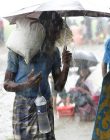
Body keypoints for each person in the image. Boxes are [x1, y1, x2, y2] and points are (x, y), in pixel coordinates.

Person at [3, 11, 72, 139]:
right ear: (43, 29)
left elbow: (58, 87)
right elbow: (6, 84)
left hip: (44, 105)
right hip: (23, 106)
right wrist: (25, 85)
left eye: (58, 32)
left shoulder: (54, 51)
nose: (57, 36)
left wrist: (66, 66)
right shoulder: (19, 49)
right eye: (54, 31)